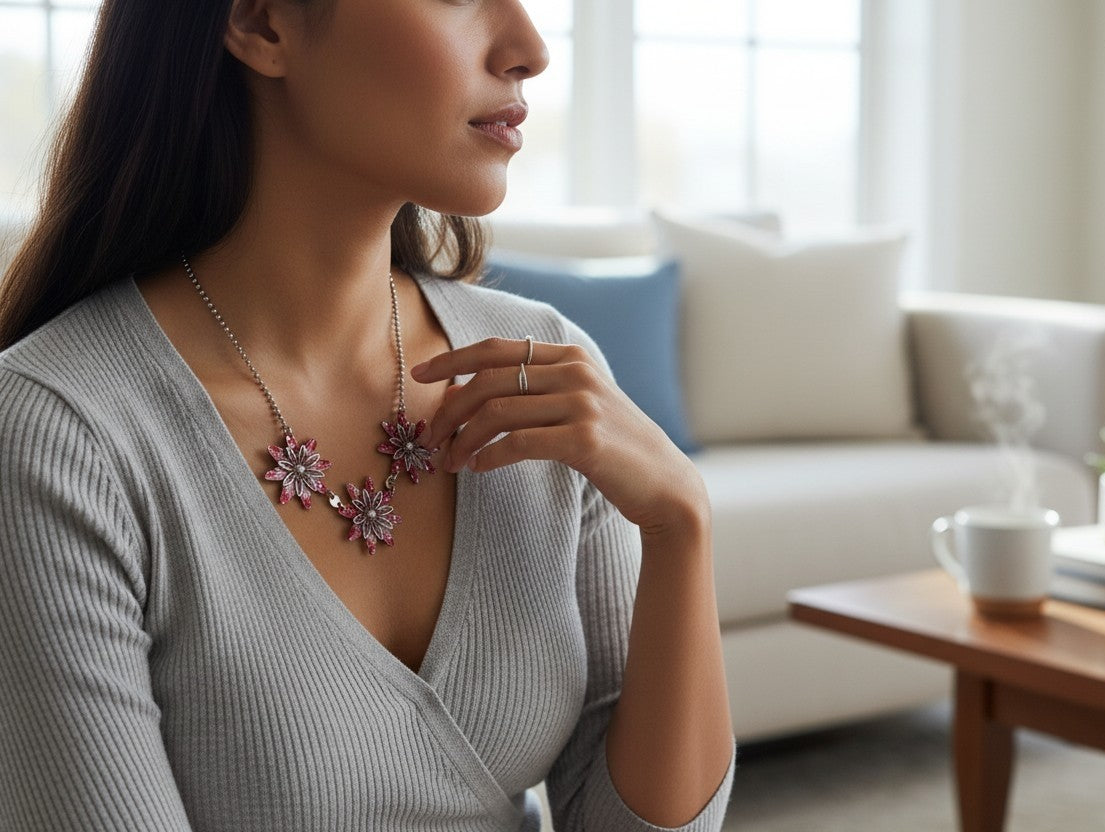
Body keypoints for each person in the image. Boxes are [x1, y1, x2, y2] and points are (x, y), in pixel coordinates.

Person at [0, 0, 735, 829]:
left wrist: (680, 521)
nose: (529, 49)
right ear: (262, 24)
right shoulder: (59, 433)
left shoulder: (541, 368)